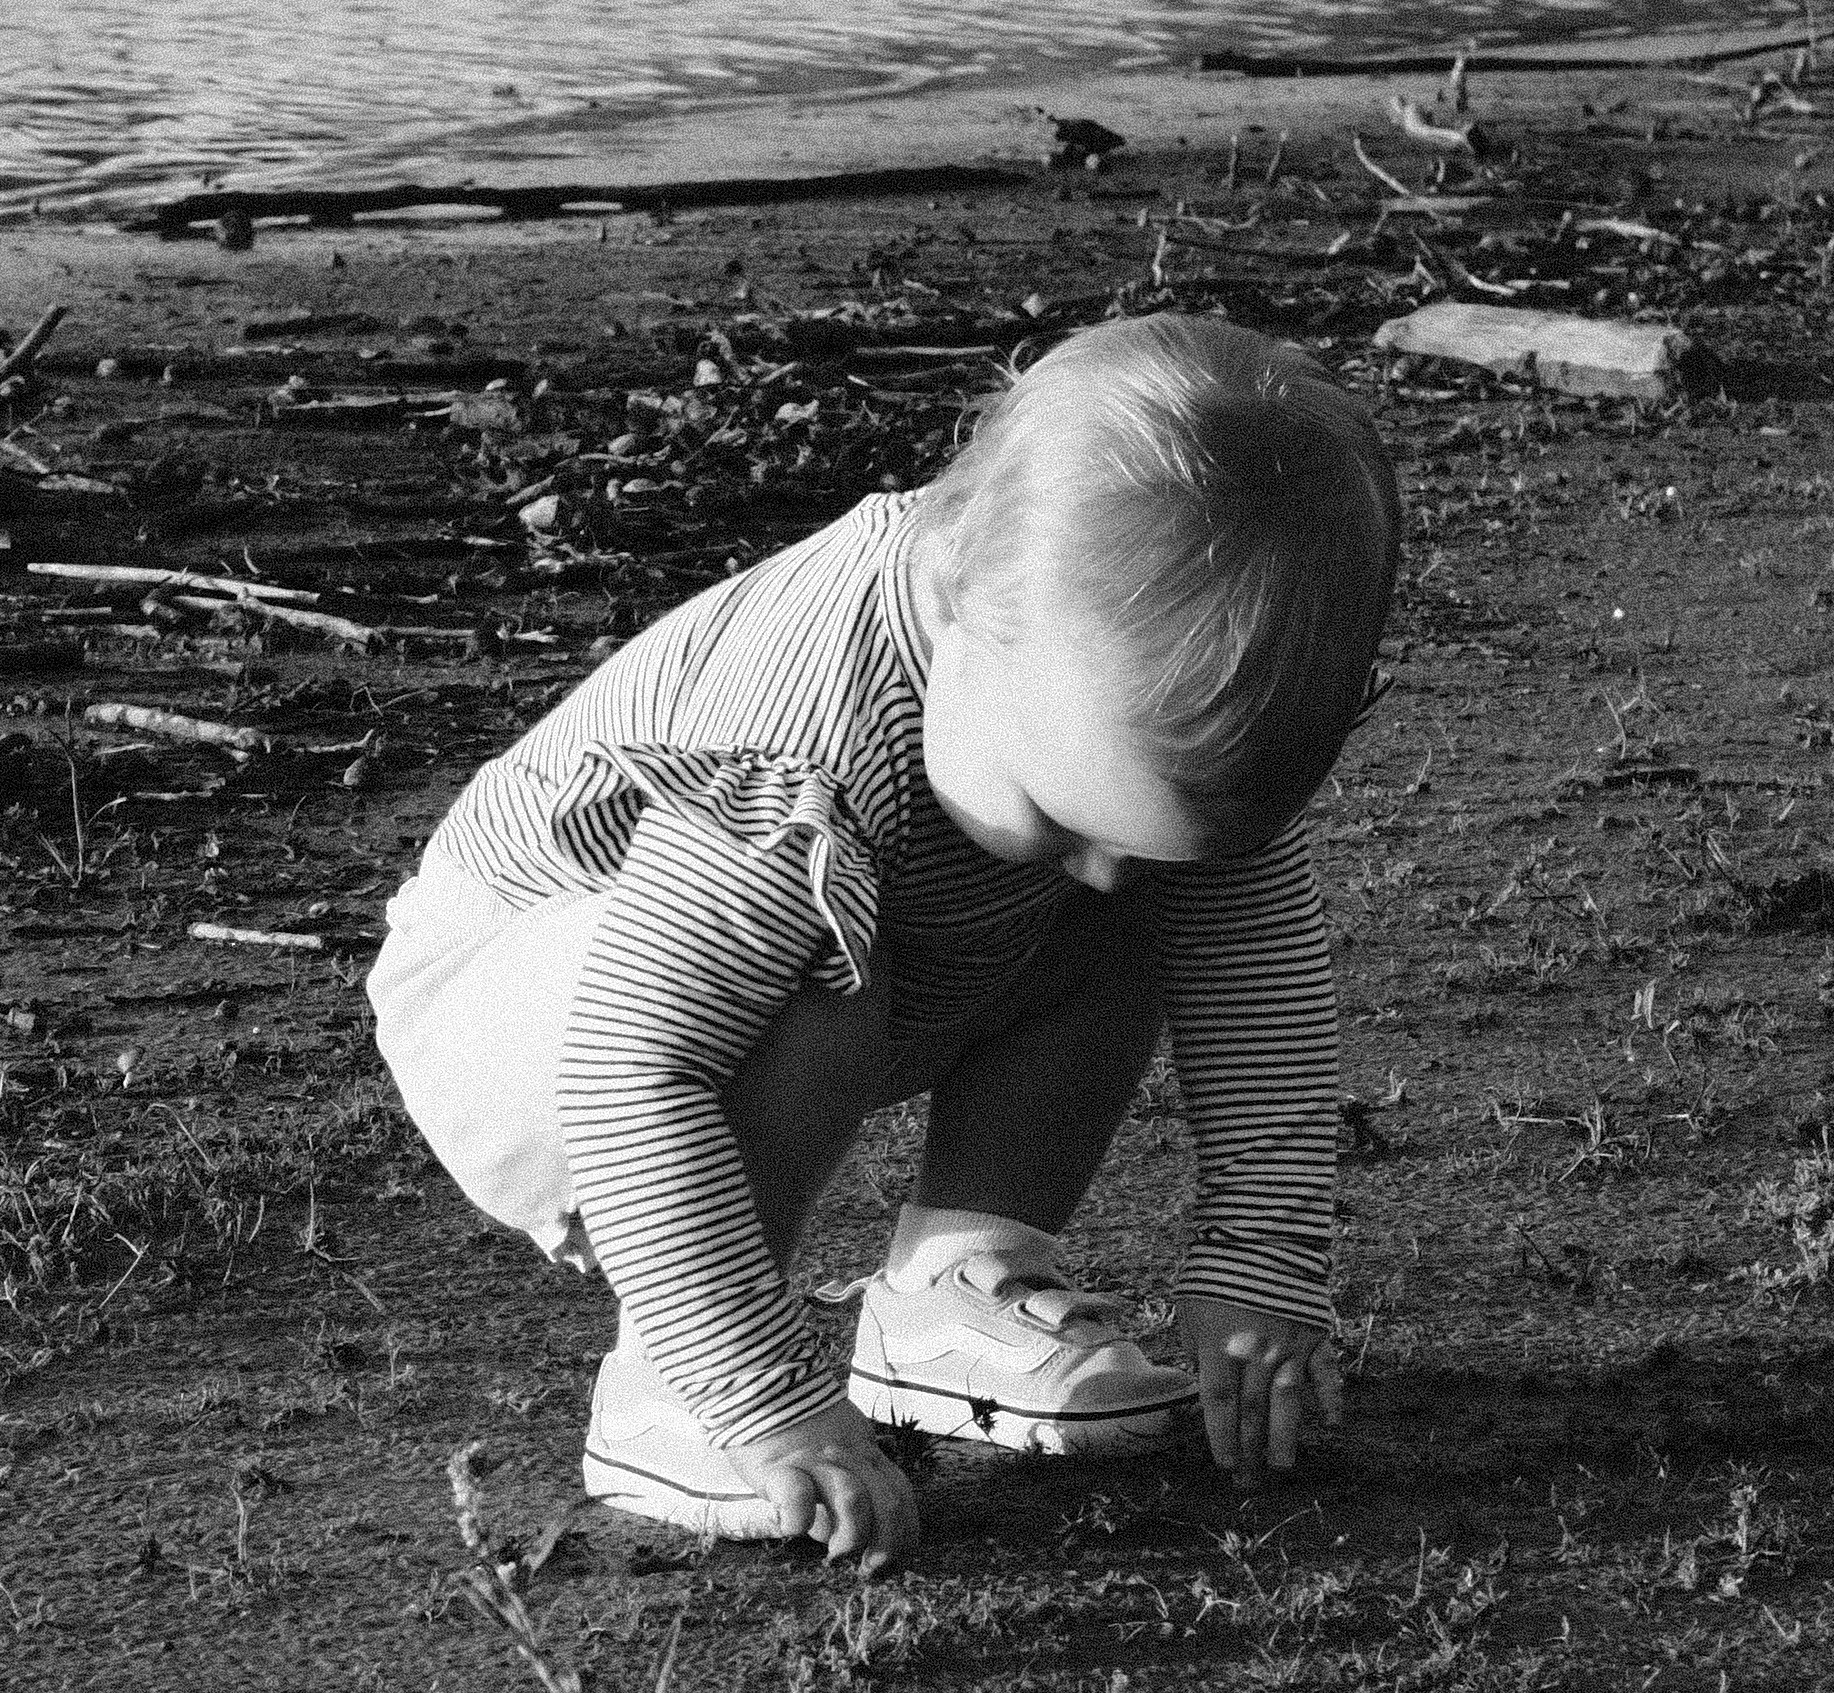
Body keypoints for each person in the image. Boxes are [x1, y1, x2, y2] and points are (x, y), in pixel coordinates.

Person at [369, 315, 1400, 1570]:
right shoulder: (789, 764)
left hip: (826, 964)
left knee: (1139, 901)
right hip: (538, 1003)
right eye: (1066, 818)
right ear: (958, 596)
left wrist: (1263, 1257)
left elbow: (1255, 971)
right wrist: (771, 1397)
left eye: (1137, 836)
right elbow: (633, 1075)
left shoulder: (1084, 699)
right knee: (811, 957)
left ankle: (953, 1289)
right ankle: (672, 1385)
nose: (1098, 866)